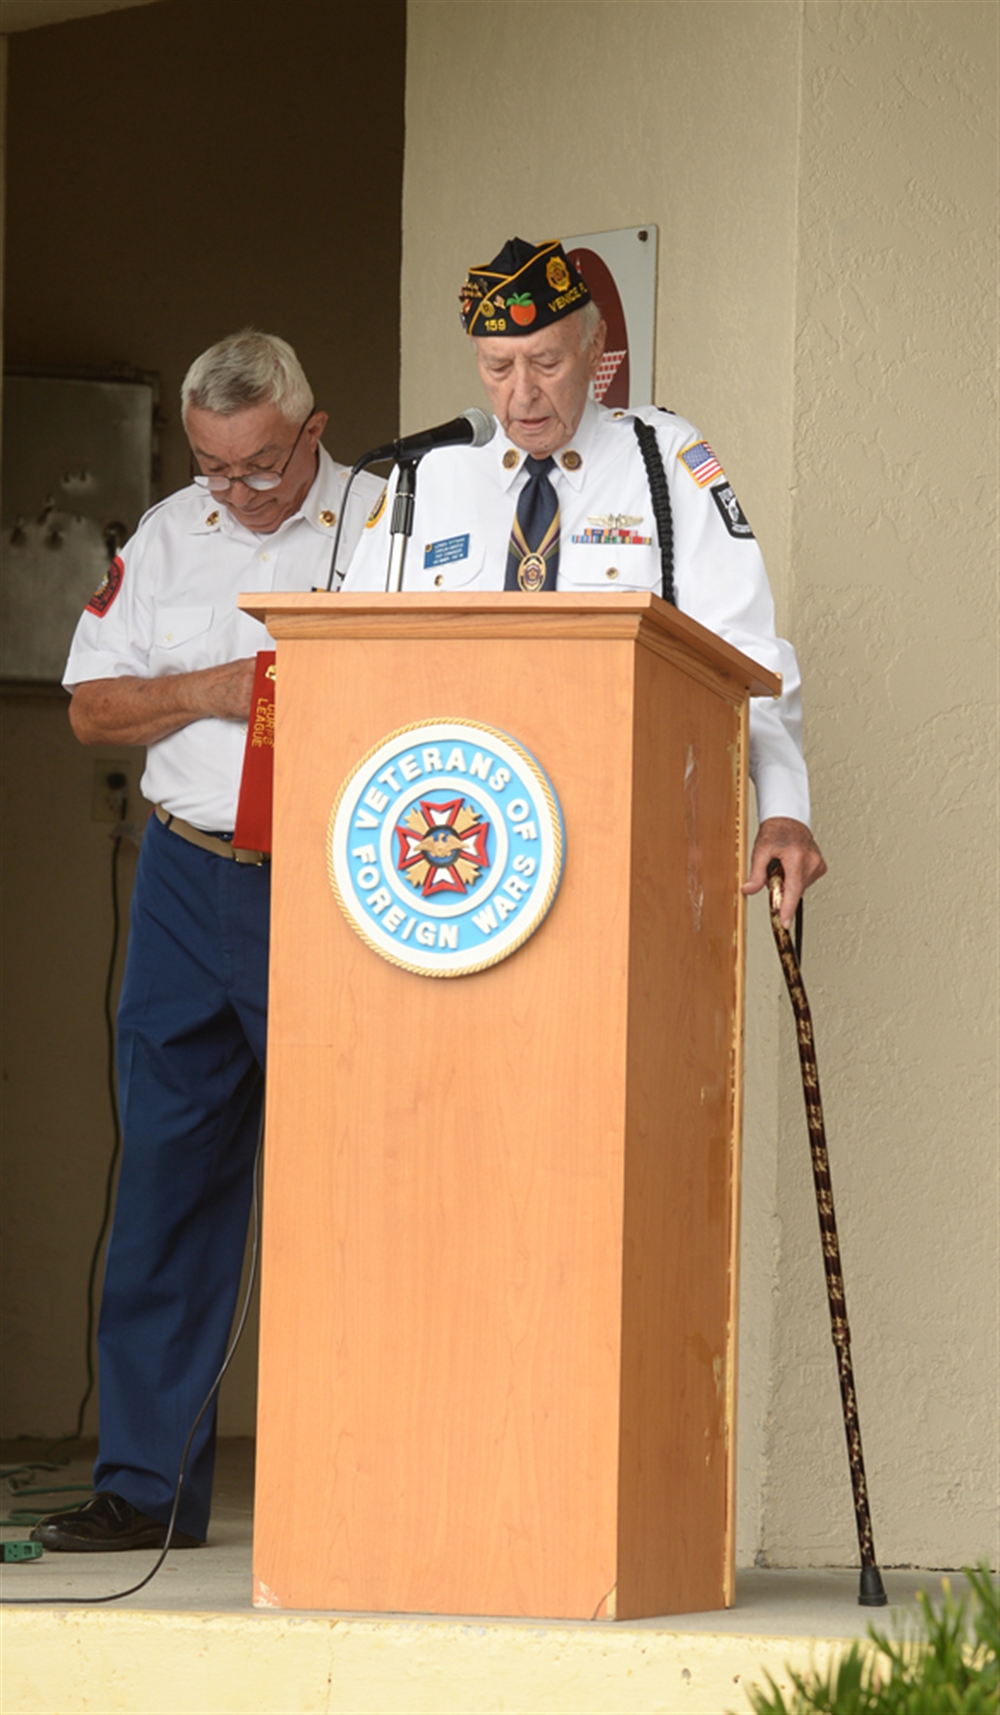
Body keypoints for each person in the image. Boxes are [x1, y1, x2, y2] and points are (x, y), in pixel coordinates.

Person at [33, 331, 384, 1551]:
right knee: (168, 1179)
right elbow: (90, 708)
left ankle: (365, 1473)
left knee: (360, 1177)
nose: (238, 491)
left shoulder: (389, 527)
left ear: (313, 427)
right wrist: (211, 687)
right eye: (215, 466)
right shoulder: (170, 534)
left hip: (341, 881)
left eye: (263, 466)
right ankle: (145, 1483)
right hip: (190, 876)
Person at [342, 237, 826, 921]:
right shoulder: (430, 475)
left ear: (596, 348)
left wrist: (782, 809)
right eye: (498, 366)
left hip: (625, 829)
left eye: (546, 361)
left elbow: (744, 650)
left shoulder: (663, 460)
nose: (523, 393)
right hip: (453, 843)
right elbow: (347, 654)